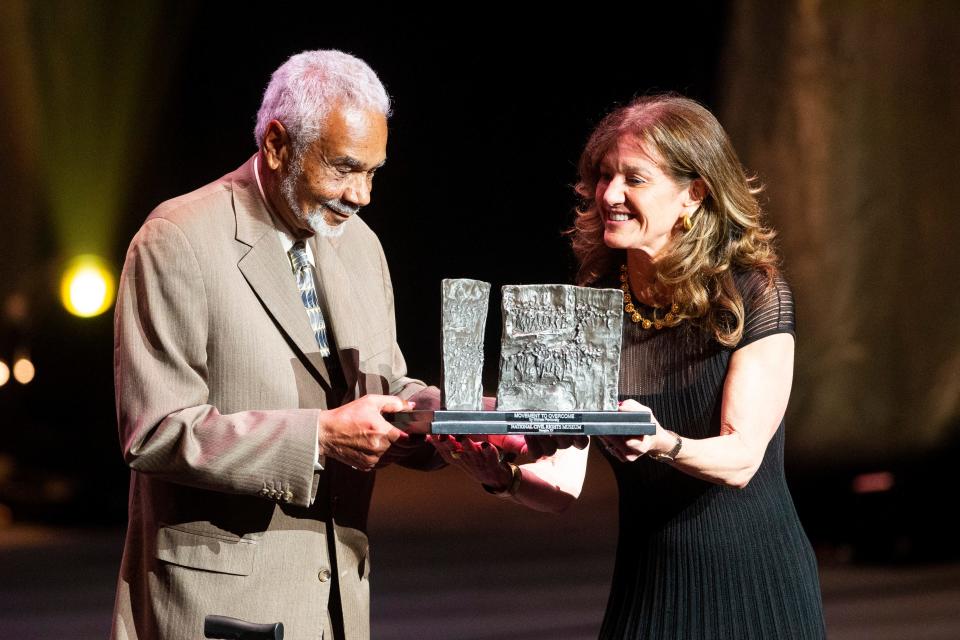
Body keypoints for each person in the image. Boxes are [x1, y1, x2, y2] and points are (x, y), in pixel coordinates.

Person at [434, 94, 826, 638]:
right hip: (650, 589)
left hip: (757, 588)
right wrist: (502, 478)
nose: (609, 194)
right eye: (603, 175)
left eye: (634, 179)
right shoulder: (593, 301)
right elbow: (565, 484)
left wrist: (660, 441)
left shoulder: (751, 294)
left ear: (694, 193)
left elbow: (741, 460)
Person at [111, 50, 442, 640]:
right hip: (221, 608)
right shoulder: (177, 239)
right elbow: (156, 430)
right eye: (344, 168)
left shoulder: (360, 246)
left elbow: (385, 385)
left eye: (373, 171)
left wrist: (443, 420)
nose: (362, 195)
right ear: (276, 144)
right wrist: (318, 437)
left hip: (338, 604)